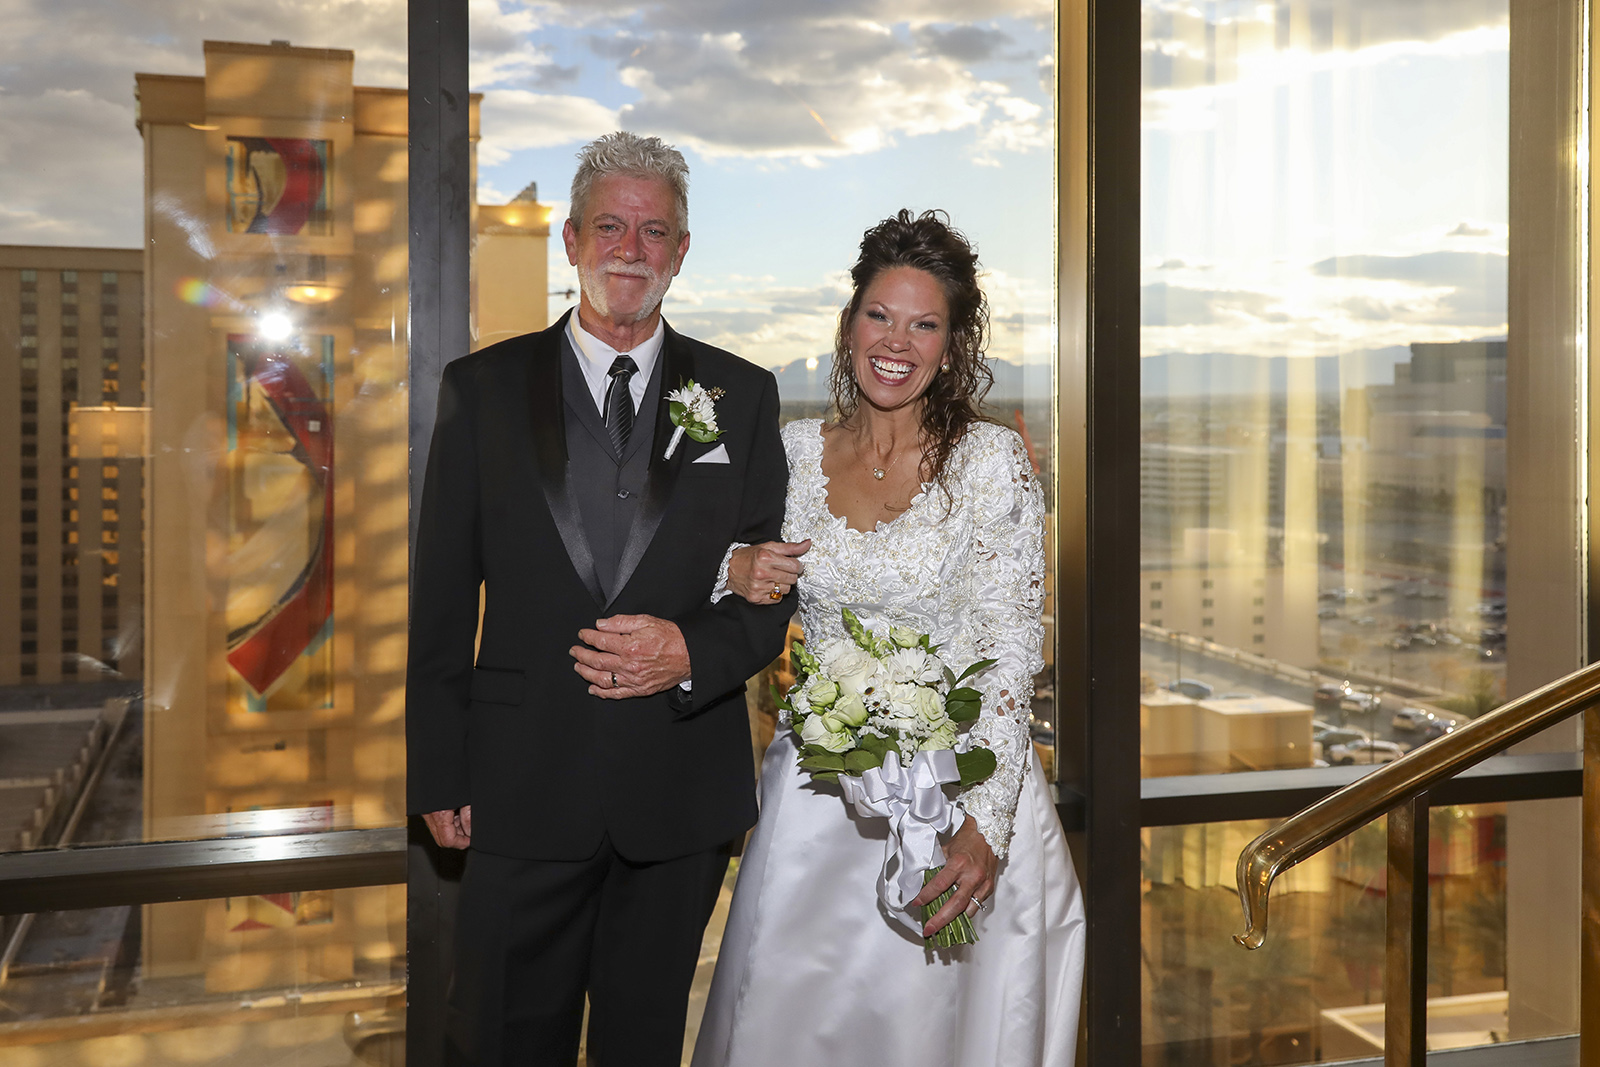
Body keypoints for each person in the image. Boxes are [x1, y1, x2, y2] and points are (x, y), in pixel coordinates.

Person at [406, 131, 794, 1066]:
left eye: (654, 230)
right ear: (571, 240)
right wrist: (439, 771)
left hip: (677, 796)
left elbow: (770, 584)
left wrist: (691, 652)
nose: (631, 248)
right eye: (610, 226)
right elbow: (443, 598)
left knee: (643, 1042)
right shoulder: (481, 389)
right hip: (516, 786)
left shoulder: (739, 395)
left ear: (683, 251)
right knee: (500, 1039)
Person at [693, 210, 1085, 1066]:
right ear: (848, 324)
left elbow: (1013, 639)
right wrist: (735, 566)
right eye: (879, 314)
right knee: (791, 1016)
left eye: (924, 323)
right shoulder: (794, 452)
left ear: (953, 344)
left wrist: (987, 825)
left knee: (935, 1029)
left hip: (961, 795)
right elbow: (707, 557)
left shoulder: (990, 460)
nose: (895, 341)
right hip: (817, 801)